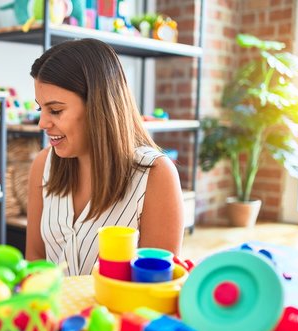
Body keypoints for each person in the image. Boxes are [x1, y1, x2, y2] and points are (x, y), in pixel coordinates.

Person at [25, 38, 184, 276]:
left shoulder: (155, 175)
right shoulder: (43, 165)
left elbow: (156, 285)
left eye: (56, 110)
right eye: (41, 109)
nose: (42, 123)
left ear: (98, 106)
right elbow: (35, 260)